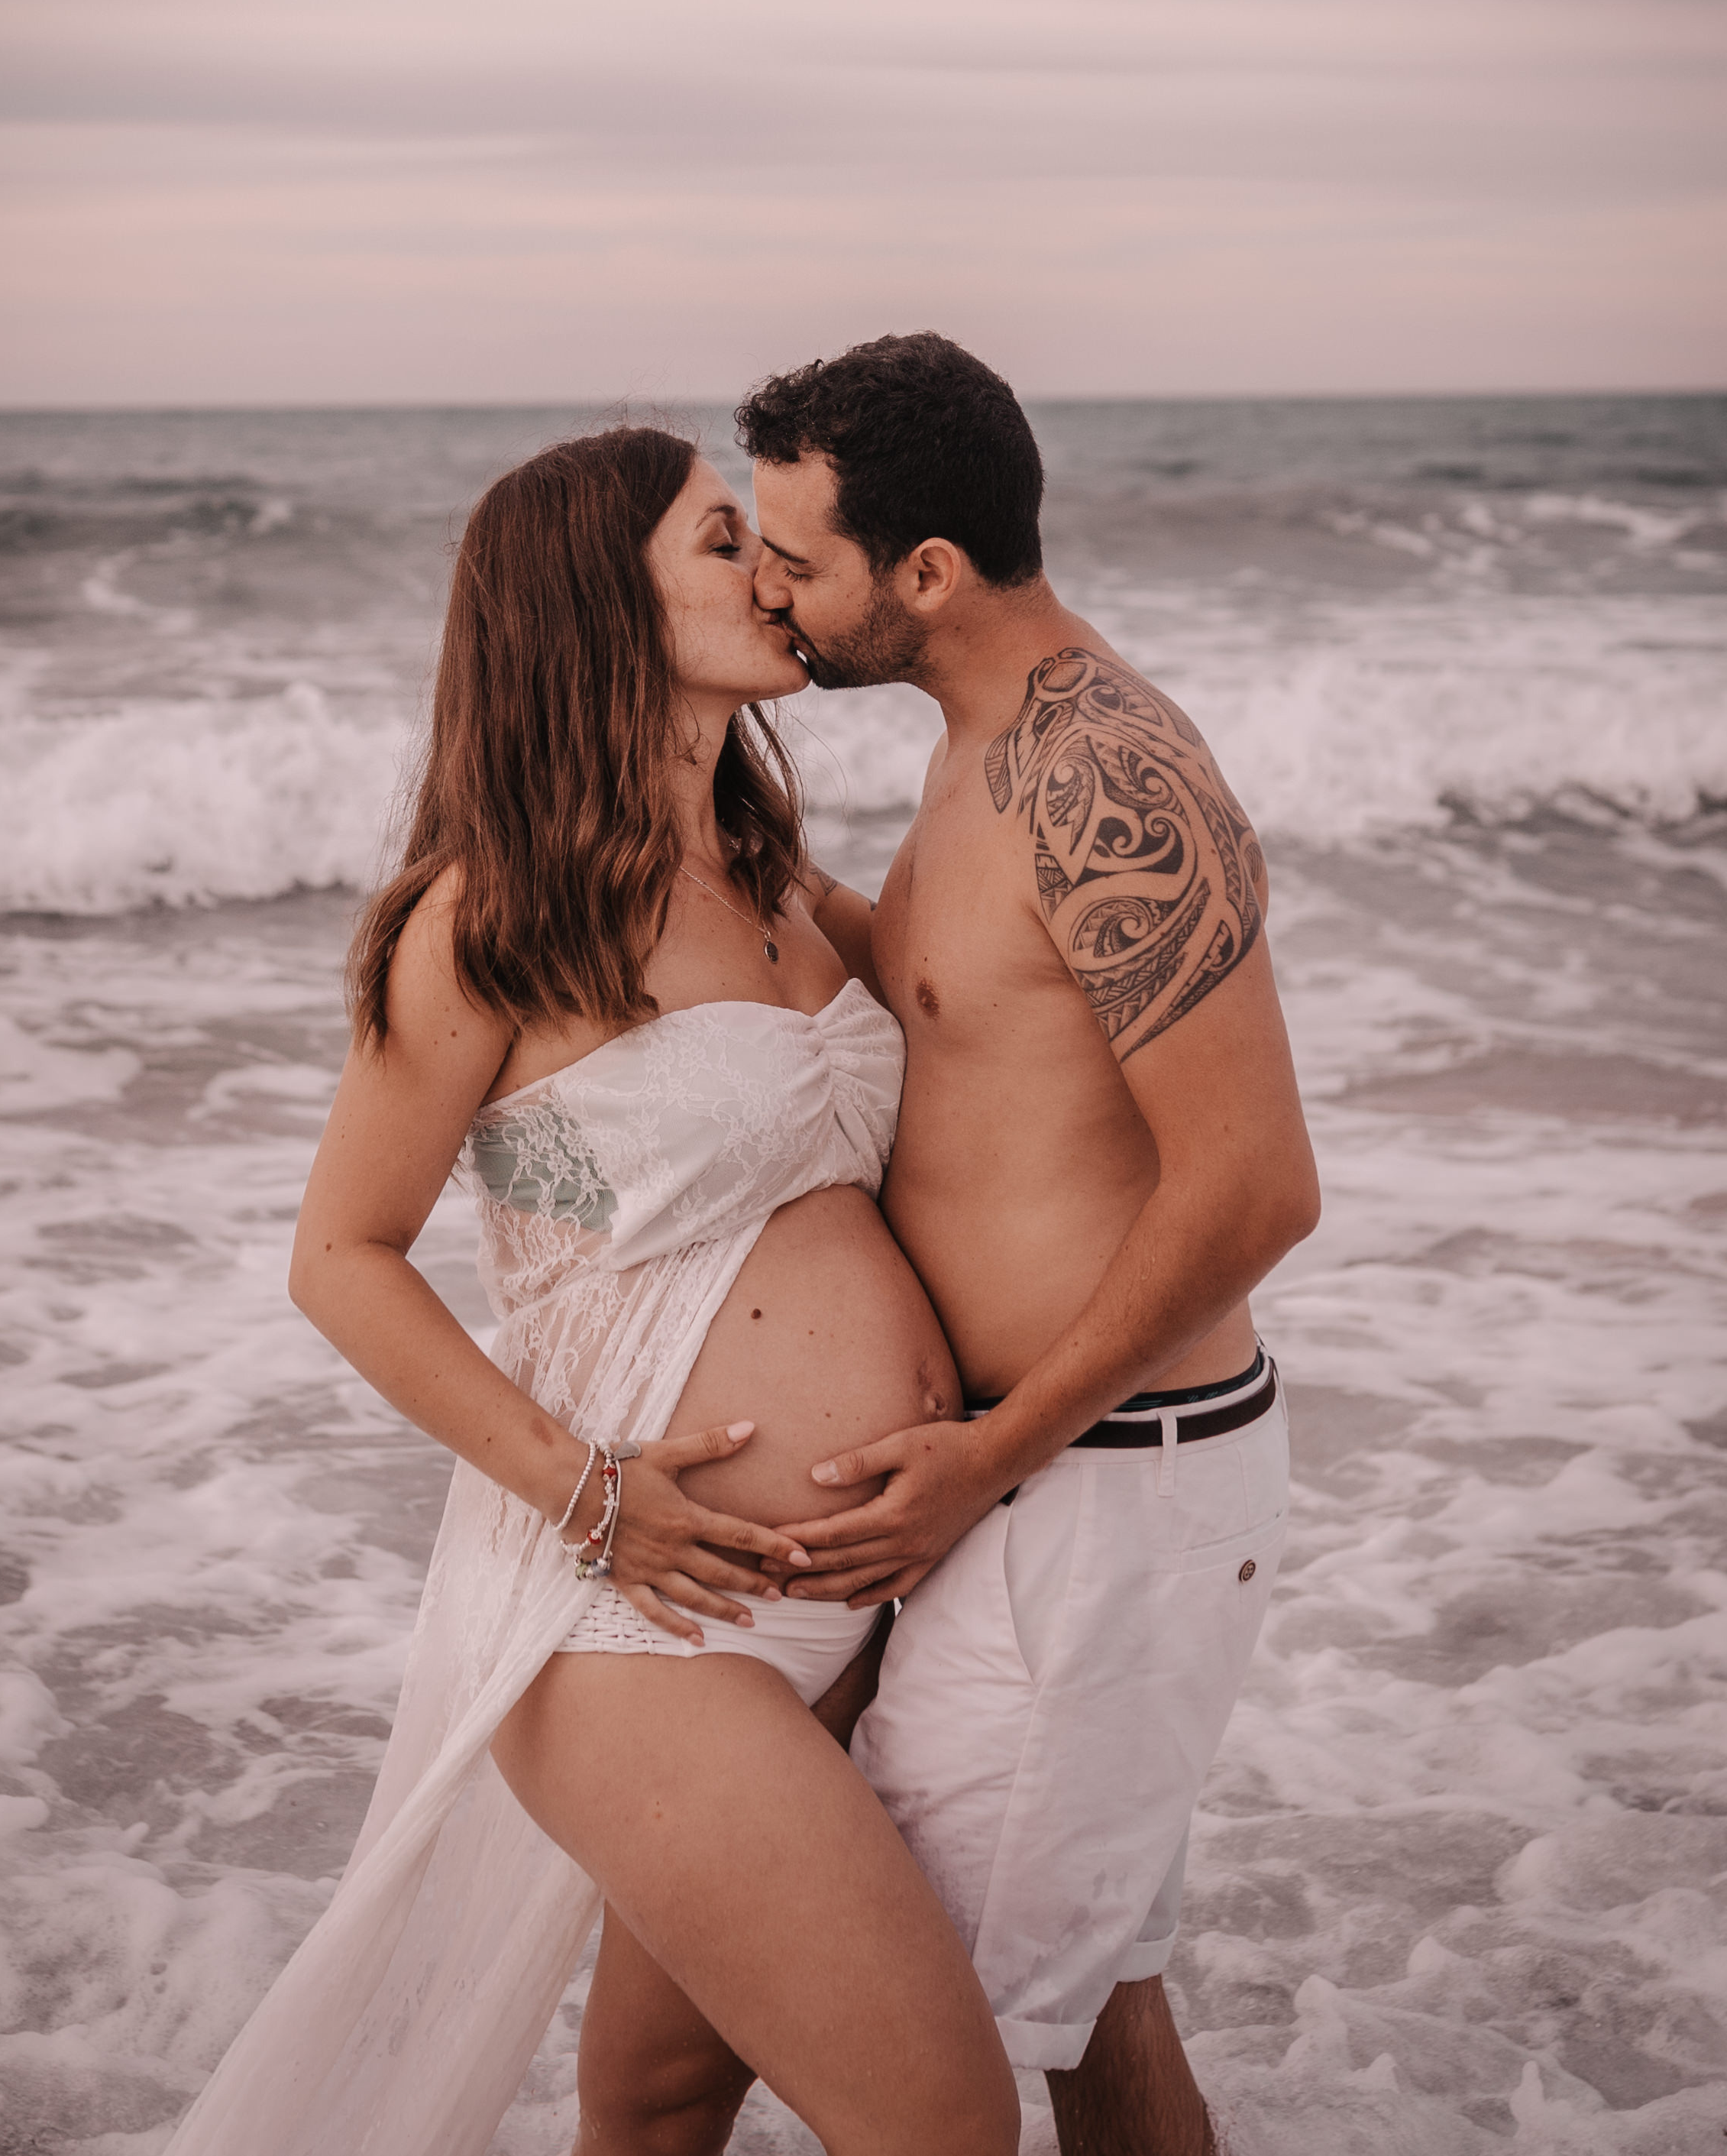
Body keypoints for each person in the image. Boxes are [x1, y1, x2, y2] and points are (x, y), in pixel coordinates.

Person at [162, 425, 1018, 2156]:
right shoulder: (491, 917)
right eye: (724, 544)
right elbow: (339, 1255)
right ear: (595, 611)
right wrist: (589, 1490)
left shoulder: (772, 873)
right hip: (639, 1619)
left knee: (655, 2095)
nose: (772, 572)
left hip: (836, 1598)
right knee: (944, 2124)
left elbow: (985, 1011)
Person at [736, 334, 1321, 2156]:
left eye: (795, 560)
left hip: (1099, 1488)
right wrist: (728, 865)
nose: (768, 589)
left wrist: (991, 1448)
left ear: (924, 572)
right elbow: (967, 1006)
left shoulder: (1102, 774)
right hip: (1059, 1490)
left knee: (929, 2038)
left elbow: (1250, 1186)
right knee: (1081, 2003)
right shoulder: (983, 743)